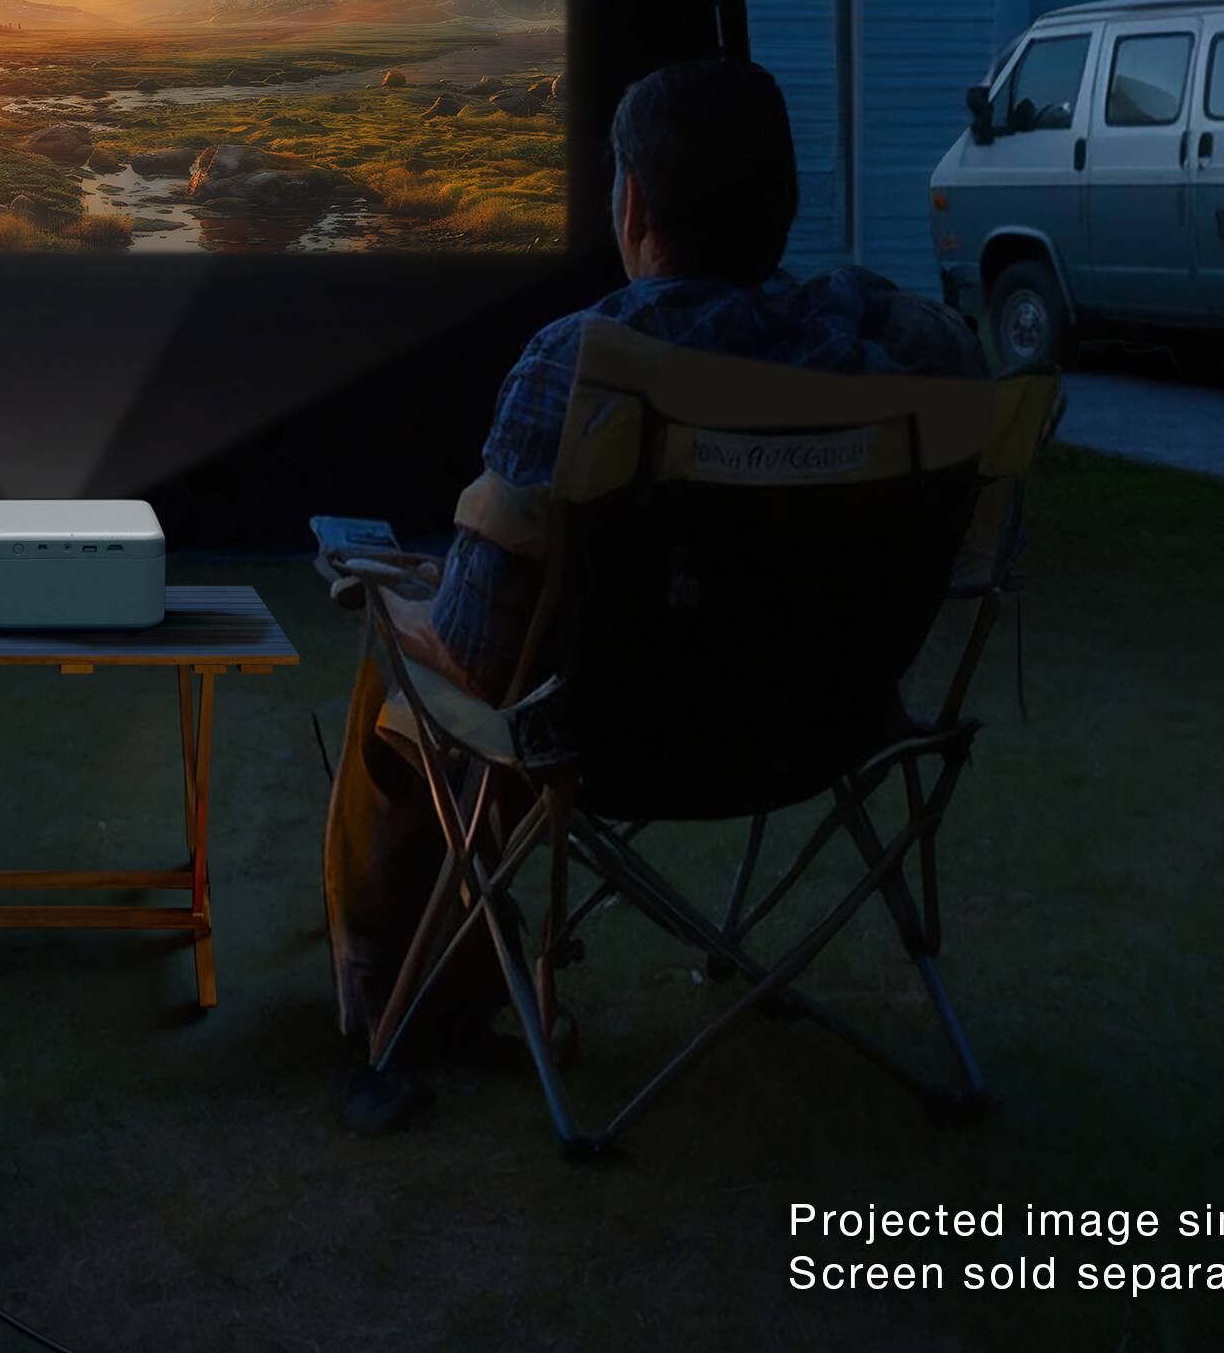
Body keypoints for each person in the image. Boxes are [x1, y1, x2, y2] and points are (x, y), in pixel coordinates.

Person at [320, 58, 982, 1039]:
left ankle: (395, 987)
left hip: (615, 747)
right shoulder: (897, 349)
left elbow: (479, 653)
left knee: (410, 681)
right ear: (786, 203)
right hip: (824, 728)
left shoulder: (575, 364)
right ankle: (441, 977)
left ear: (631, 202)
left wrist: (394, 604)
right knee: (512, 667)